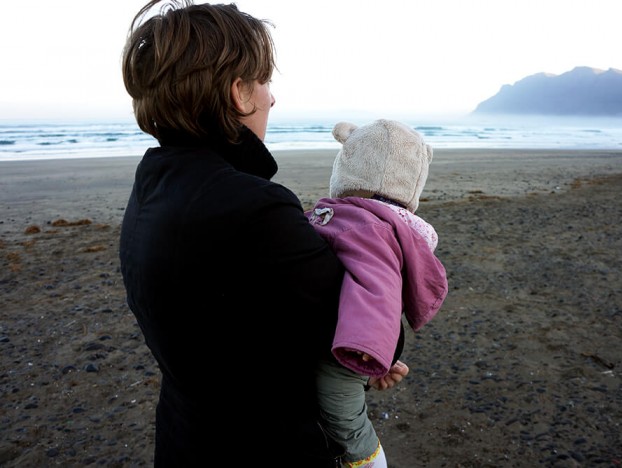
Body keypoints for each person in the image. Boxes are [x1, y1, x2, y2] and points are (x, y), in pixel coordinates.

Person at [118, 2, 406, 465]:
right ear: (238, 93)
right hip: (265, 447)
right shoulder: (254, 207)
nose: (271, 98)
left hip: (184, 438)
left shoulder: (151, 184)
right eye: (264, 81)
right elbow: (370, 330)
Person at [308, 119, 449, 467]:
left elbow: (377, 290)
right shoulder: (358, 220)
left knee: (347, 421)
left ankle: (371, 461)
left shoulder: (367, 227)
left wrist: (367, 353)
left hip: (348, 352)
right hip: (352, 344)